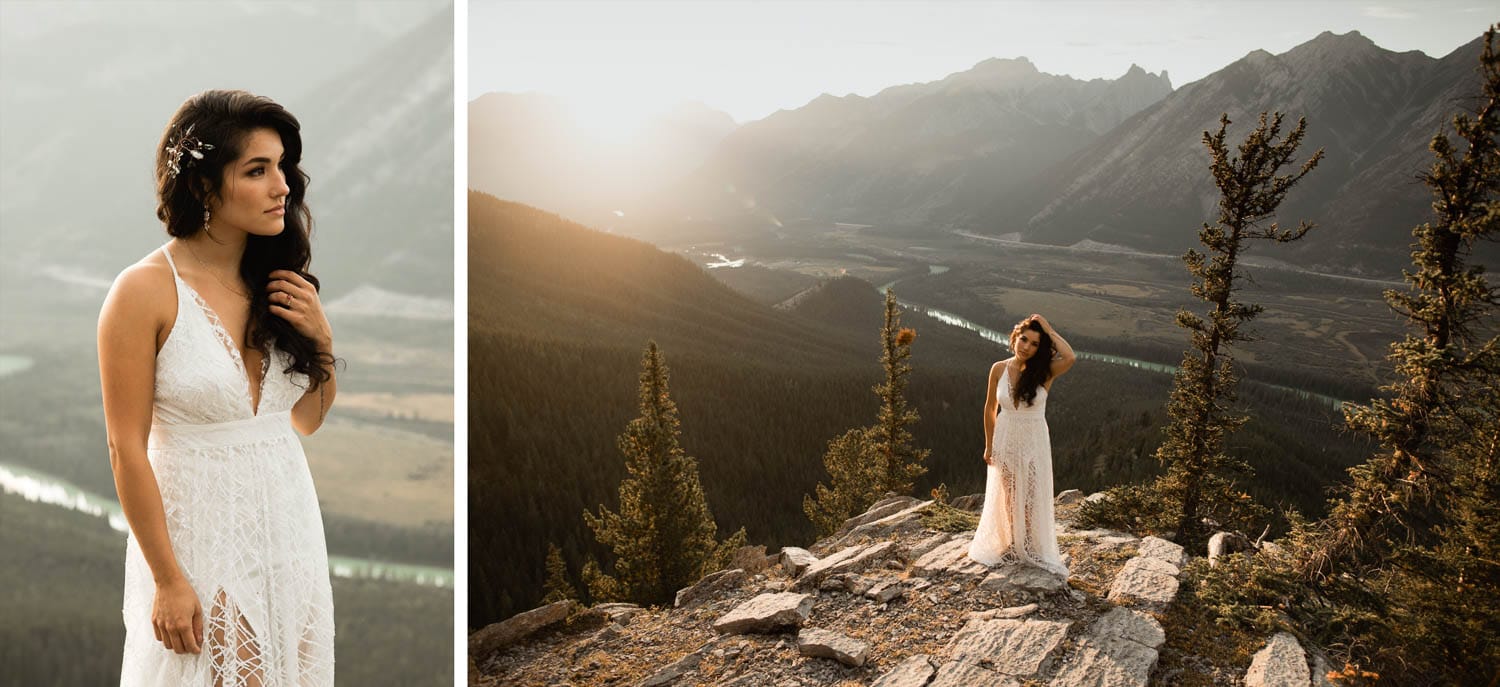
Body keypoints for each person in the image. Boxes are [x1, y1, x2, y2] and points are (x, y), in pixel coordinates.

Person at [98, 90, 337, 686]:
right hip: (199, 535)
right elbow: (126, 450)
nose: (282, 185)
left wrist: (321, 337)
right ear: (205, 188)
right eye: (257, 170)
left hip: (289, 526)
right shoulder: (143, 291)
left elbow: (306, 420)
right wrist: (168, 579)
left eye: (282, 166)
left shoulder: (280, 284)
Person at [967, 313, 1075, 576]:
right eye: (1024, 339)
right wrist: (988, 445)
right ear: (1015, 337)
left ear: (1040, 348)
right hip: (1006, 436)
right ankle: (1014, 543)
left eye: (1034, 344)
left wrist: (1048, 328)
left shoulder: (1045, 371)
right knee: (1010, 493)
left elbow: (1070, 357)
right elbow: (990, 408)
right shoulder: (998, 368)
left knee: (1031, 494)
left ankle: (1029, 544)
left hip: (1033, 437)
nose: (1026, 346)